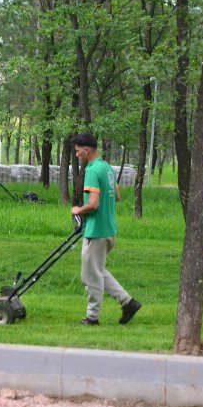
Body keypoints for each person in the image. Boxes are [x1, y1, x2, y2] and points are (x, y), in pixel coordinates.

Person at [70, 132, 141, 326]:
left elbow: (92, 204)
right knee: (98, 270)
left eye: (77, 151)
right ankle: (128, 302)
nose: (76, 155)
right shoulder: (106, 167)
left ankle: (92, 317)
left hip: (96, 230)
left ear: (86, 150)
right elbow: (116, 195)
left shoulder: (92, 171)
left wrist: (78, 210)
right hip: (109, 229)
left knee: (90, 276)